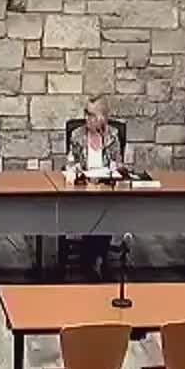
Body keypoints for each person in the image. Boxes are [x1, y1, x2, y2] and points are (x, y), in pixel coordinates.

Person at [67, 96, 123, 278]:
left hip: (105, 191)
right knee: (93, 211)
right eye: (86, 113)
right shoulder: (77, 135)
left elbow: (117, 165)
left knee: (105, 209)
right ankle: (95, 259)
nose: (87, 118)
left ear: (102, 117)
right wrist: (76, 171)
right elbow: (71, 164)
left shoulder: (113, 136)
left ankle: (94, 259)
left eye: (91, 114)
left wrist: (111, 173)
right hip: (83, 192)